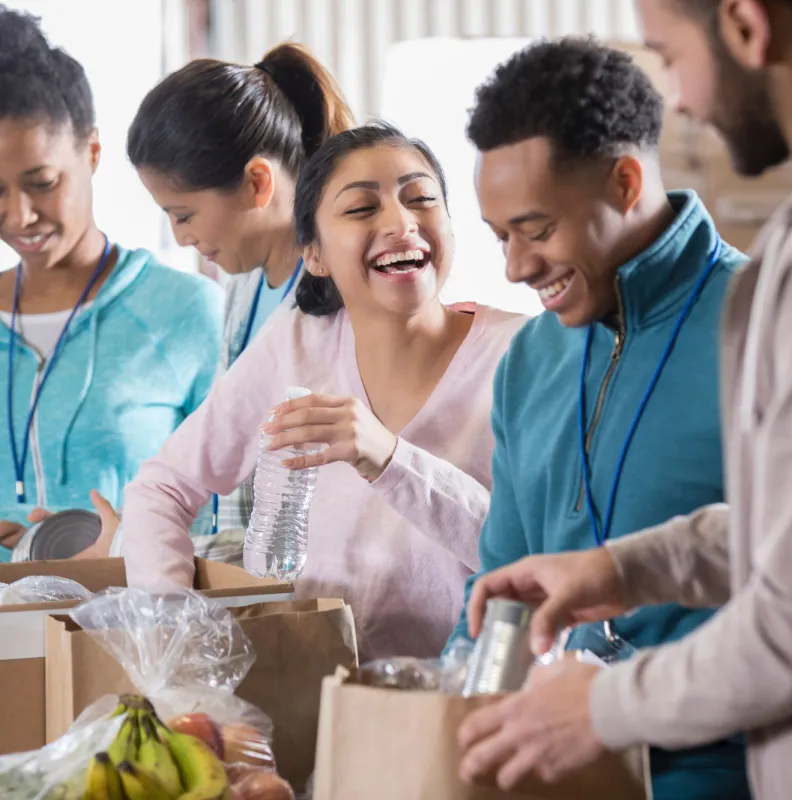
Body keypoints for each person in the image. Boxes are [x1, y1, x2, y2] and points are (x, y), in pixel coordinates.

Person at [458, 3, 792, 799]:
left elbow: (786, 610)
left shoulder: (753, 305)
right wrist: (623, 567)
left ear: (626, 180)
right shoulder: (529, 361)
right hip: (566, 767)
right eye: (497, 234)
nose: (512, 267)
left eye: (535, 228)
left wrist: (607, 706)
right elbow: (767, 538)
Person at [120, 122, 528, 659]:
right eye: (362, 209)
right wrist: (173, 634)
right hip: (311, 696)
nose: (402, 222)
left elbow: (542, 558)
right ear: (313, 254)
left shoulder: (524, 353)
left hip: (462, 711)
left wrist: (390, 458)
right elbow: (161, 489)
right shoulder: (299, 340)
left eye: (422, 199)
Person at [0, 6, 223, 561]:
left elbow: (241, 523)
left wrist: (132, 545)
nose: (19, 215)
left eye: (42, 183)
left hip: (136, 639)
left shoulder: (188, 312)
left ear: (92, 152)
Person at [126, 42, 355, 543]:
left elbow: (325, 511)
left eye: (183, 215)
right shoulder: (244, 286)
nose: (182, 237)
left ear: (257, 182)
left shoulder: (341, 300)